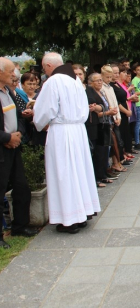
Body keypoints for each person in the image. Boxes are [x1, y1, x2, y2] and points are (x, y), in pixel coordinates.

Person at [33, 53, 101, 234]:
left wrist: (38, 121)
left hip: (62, 132)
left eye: (44, 67)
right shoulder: (76, 82)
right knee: (78, 172)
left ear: (48, 65)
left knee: (64, 172)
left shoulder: (53, 82)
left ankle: (69, 220)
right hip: (78, 130)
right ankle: (83, 213)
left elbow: (45, 110)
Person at [0, 58, 37, 248]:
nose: (14, 75)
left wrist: (19, 134)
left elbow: (18, 116)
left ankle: (20, 226)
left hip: (15, 146)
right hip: (3, 147)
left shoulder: (9, 92)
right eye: (10, 72)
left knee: (21, 186)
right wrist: (7, 138)